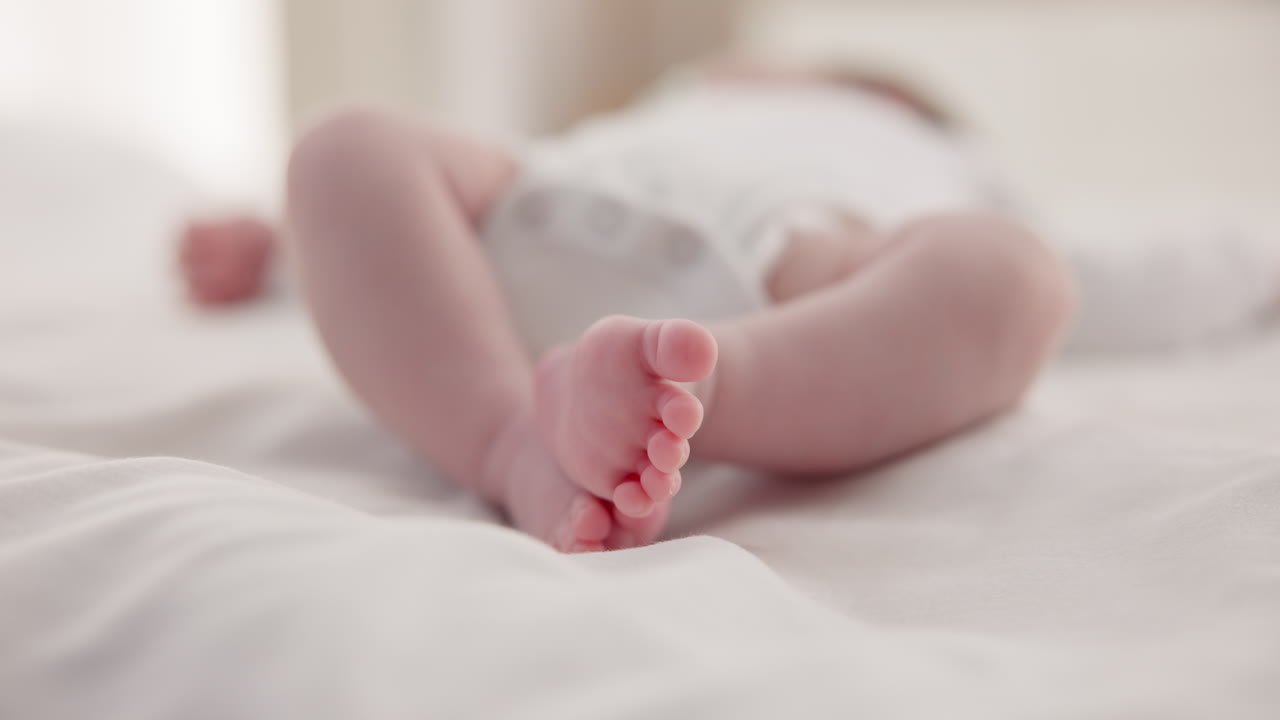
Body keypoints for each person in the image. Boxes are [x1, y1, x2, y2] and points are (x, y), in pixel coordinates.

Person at [178, 59, 1074, 552]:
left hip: (787, 277)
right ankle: (513, 442)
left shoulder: (945, 156)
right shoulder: (674, 105)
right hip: (528, 215)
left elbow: (1095, 270)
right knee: (342, 145)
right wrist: (283, 245)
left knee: (1021, 273)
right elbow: (387, 248)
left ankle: (708, 392)